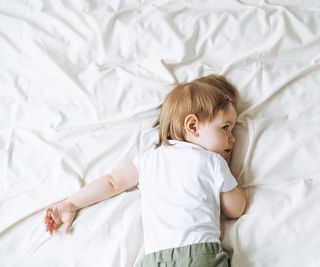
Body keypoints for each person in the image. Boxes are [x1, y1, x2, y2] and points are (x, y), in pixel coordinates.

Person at [44, 74, 247, 267]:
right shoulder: (212, 161)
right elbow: (236, 209)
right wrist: (226, 171)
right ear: (192, 126)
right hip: (200, 257)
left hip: (155, 260)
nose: (232, 138)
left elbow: (112, 182)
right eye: (225, 128)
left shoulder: (149, 159)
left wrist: (71, 203)